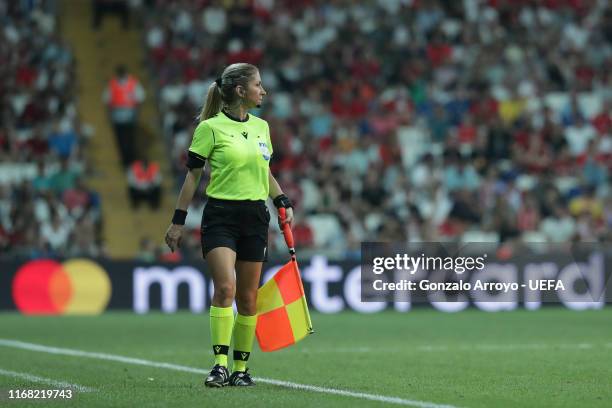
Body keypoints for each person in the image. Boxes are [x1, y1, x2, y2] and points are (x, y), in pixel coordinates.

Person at [164, 63, 294, 387]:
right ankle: (220, 364)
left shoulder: (263, 127)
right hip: (221, 215)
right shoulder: (210, 128)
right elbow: (192, 176)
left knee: (248, 299)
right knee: (225, 289)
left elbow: (263, 172)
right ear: (240, 90)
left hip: (254, 217)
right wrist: (177, 223)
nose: (263, 91)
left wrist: (282, 201)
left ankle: (241, 368)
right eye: (258, 85)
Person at [103, 65, 145, 167]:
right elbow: (107, 100)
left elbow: (140, 98)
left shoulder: (133, 83)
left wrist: (137, 113)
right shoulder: (113, 84)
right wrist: (109, 116)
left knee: (130, 140)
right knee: (121, 141)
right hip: (117, 117)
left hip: (130, 116)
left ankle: (132, 160)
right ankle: (125, 161)